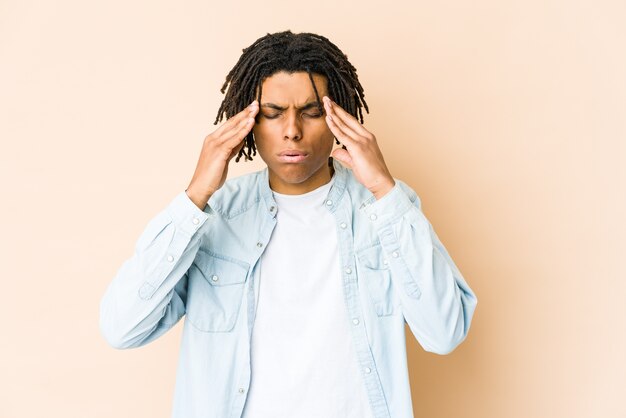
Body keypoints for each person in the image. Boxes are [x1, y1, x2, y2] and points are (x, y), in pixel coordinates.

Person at [99, 30, 478, 418]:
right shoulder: (215, 216)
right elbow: (123, 327)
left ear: (338, 119)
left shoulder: (385, 209)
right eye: (272, 113)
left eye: (312, 112)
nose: (292, 130)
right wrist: (195, 195)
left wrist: (383, 187)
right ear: (248, 122)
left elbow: (445, 332)